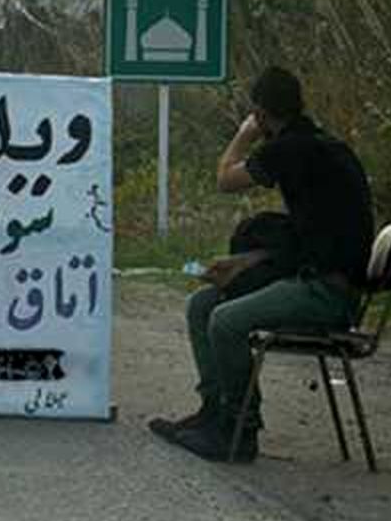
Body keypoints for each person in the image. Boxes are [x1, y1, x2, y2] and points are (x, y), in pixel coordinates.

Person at [149, 66, 374, 462]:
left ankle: (239, 430)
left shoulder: (292, 147)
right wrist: (247, 261)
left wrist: (244, 133)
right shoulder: (314, 146)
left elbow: (226, 179)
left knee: (226, 320)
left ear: (262, 112)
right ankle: (214, 412)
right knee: (202, 304)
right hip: (319, 278)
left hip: (327, 294)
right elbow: (312, 238)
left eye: (257, 115)